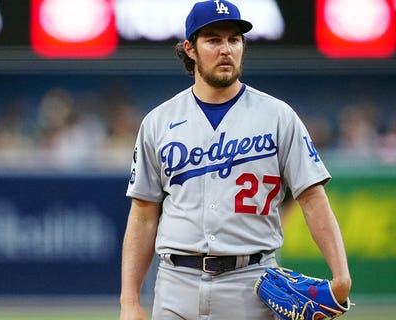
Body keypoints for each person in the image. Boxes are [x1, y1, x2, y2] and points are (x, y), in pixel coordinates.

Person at [119, 1, 352, 319]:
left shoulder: (278, 116)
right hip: (176, 282)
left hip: (251, 283)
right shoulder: (158, 122)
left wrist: (341, 275)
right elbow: (143, 215)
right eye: (213, 40)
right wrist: (129, 301)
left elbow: (312, 199)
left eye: (234, 39)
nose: (226, 48)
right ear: (190, 49)